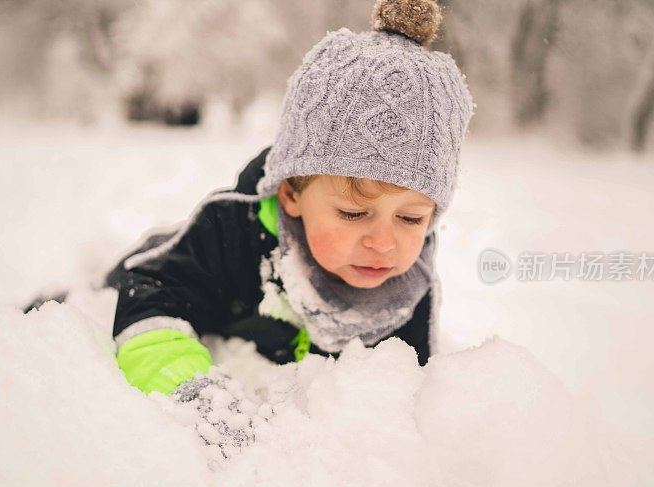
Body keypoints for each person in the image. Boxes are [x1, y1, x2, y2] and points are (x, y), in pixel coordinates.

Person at [106, 0, 474, 399]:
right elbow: (149, 290)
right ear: (291, 193)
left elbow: (405, 385)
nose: (384, 243)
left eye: (411, 219)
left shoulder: (407, 286)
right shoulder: (231, 230)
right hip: (162, 259)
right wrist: (186, 384)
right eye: (353, 213)